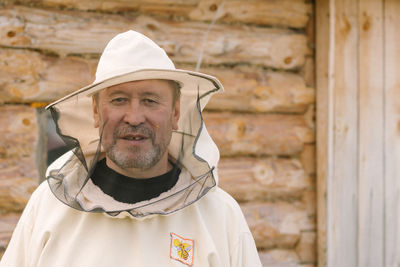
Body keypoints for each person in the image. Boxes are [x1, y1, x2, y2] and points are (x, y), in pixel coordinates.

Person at [0, 30, 262, 267]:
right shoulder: (47, 207)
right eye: (119, 100)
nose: (134, 117)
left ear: (176, 112)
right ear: (95, 111)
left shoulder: (221, 216)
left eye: (150, 100)